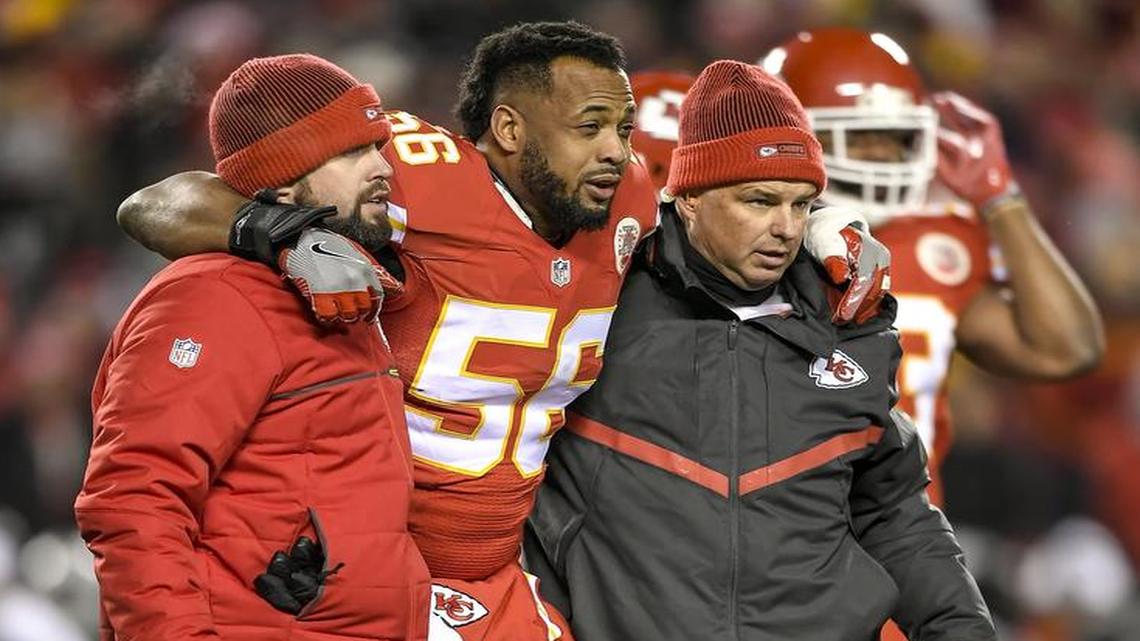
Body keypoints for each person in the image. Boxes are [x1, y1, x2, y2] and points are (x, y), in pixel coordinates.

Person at [112, 22, 888, 641]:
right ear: (510, 129)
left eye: (620, 127)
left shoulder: (622, 196)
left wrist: (821, 219)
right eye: (592, 126)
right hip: (376, 571)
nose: (617, 149)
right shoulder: (413, 178)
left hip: (502, 569)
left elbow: (720, 205)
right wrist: (272, 229)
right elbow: (160, 202)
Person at [524, 60, 998, 641]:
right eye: (759, 200)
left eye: (801, 205)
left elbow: (894, 511)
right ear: (689, 197)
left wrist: (962, 630)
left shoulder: (849, 321)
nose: (784, 227)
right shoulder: (597, 303)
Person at [74, 55, 430, 641]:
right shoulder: (213, 296)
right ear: (284, 181)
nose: (382, 169)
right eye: (350, 153)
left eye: (377, 147)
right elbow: (134, 502)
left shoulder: (344, 288)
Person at [760, 27, 1105, 506]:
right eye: (860, 138)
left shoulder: (936, 241)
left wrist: (1000, 200)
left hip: (906, 539)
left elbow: (1067, 350)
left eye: (894, 139)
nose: (881, 156)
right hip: (776, 526)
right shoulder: (740, 238)